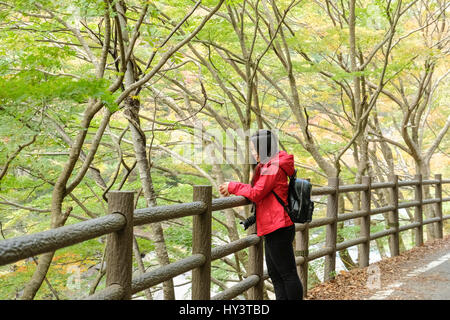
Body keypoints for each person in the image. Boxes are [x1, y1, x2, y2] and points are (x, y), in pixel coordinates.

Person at [219, 129, 303, 300]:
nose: (253, 153)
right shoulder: (269, 165)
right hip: (273, 225)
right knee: (276, 275)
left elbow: (257, 193)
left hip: (279, 225)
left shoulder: (274, 166)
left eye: (254, 149)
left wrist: (233, 186)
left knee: (287, 274)